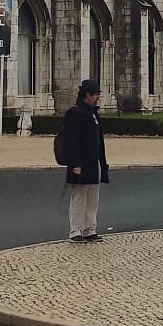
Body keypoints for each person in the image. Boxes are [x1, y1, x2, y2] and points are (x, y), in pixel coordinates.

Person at [63, 79, 108, 243]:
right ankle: (76, 230)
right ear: (87, 95)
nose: (97, 98)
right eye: (95, 95)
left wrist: (103, 163)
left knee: (93, 197)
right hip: (81, 163)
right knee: (80, 197)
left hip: (94, 161)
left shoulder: (92, 113)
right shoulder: (75, 113)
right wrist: (75, 164)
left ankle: (90, 228)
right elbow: (71, 141)